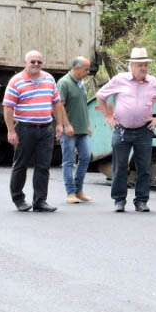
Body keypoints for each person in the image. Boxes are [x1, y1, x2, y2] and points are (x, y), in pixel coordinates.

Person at [96, 47, 156, 213]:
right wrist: (108, 117)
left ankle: (141, 201)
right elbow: (101, 96)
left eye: (145, 65)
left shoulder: (153, 82)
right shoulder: (120, 80)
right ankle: (119, 200)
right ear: (131, 66)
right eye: (140, 65)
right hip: (122, 129)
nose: (143, 68)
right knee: (120, 166)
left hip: (144, 131)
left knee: (144, 168)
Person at [3, 50, 67, 212]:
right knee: (21, 165)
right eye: (33, 62)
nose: (36, 65)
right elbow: (8, 107)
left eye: (39, 62)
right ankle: (18, 199)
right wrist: (11, 131)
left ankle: (40, 201)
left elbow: (56, 103)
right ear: (25, 63)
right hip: (24, 128)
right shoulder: (16, 81)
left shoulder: (49, 79)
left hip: (45, 129)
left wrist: (59, 124)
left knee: (43, 166)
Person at [58, 56, 93, 204]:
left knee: (85, 157)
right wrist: (66, 125)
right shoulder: (64, 83)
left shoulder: (81, 83)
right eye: (86, 69)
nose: (88, 71)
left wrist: (88, 124)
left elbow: (83, 105)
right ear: (77, 68)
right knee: (68, 161)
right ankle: (70, 192)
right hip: (70, 131)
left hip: (82, 129)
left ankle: (79, 190)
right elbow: (59, 105)